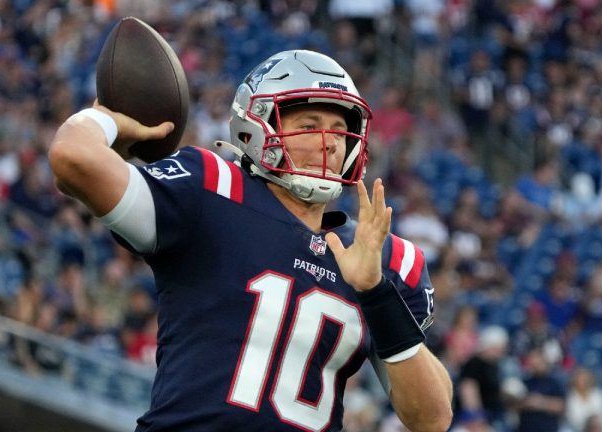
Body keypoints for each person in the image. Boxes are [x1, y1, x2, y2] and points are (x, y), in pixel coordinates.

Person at [48, 49, 453, 431]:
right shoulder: (211, 189)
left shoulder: (385, 257)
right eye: (308, 125)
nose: (328, 140)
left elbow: (432, 419)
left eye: (340, 129)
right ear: (256, 128)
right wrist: (106, 118)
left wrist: (376, 292)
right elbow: (73, 159)